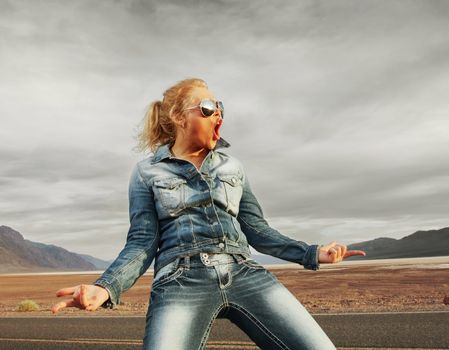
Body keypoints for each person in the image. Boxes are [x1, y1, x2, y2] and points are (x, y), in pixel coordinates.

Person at [51, 78, 366, 349]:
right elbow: (142, 242)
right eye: (207, 107)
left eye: (221, 109)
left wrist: (312, 253)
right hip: (180, 279)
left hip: (244, 272)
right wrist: (106, 286)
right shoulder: (147, 172)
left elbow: (257, 230)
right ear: (179, 116)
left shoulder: (233, 166)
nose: (218, 114)